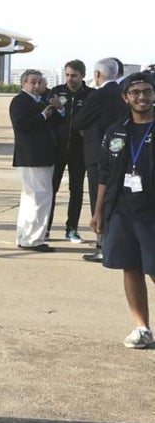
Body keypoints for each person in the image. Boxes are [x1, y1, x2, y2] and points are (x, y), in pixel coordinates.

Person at [89, 71, 155, 348]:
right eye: (135, 92)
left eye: (147, 91)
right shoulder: (116, 130)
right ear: (125, 97)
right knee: (131, 267)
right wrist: (98, 211)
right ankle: (141, 328)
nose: (142, 97)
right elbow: (105, 172)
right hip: (122, 210)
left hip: (151, 213)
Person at [73, 58, 128, 261]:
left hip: (97, 154)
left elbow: (78, 121)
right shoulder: (123, 93)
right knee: (114, 200)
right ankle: (113, 244)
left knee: (99, 200)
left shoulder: (98, 95)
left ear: (97, 75)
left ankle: (103, 245)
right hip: (121, 153)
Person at [10, 69, 60, 252]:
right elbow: (21, 124)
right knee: (40, 197)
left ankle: (25, 237)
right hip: (33, 157)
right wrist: (43, 116)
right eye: (32, 82)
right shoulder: (20, 101)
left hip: (38, 156)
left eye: (40, 82)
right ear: (23, 83)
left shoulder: (39, 101)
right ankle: (33, 239)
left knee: (31, 198)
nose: (37, 85)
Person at [46, 60, 92, 242]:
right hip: (57, 149)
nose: (70, 79)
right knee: (51, 189)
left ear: (82, 75)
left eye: (74, 75)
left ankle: (71, 229)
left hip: (79, 150)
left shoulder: (90, 95)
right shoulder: (57, 92)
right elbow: (46, 117)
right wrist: (56, 108)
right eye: (67, 75)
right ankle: (45, 228)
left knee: (77, 190)